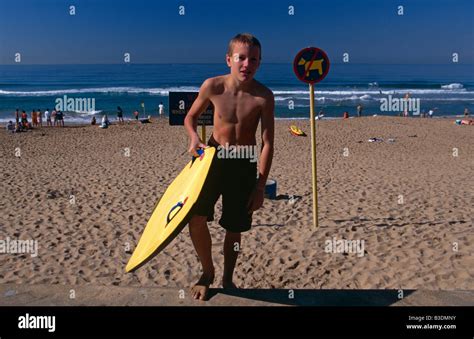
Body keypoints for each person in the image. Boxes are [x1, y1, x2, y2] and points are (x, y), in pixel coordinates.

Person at [183, 33, 274, 301]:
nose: (247, 64)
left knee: (234, 227)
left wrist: (260, 186)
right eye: (241, 57)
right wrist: (193, 137)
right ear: (229, 59)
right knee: (196, 218)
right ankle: (207, 273)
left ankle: (227, 278)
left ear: (259, 63)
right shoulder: (213, 86)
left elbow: (267, 143)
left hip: (244, 162)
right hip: (212, 158)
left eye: (254, 59)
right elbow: (190, 116)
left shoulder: (264, 96)